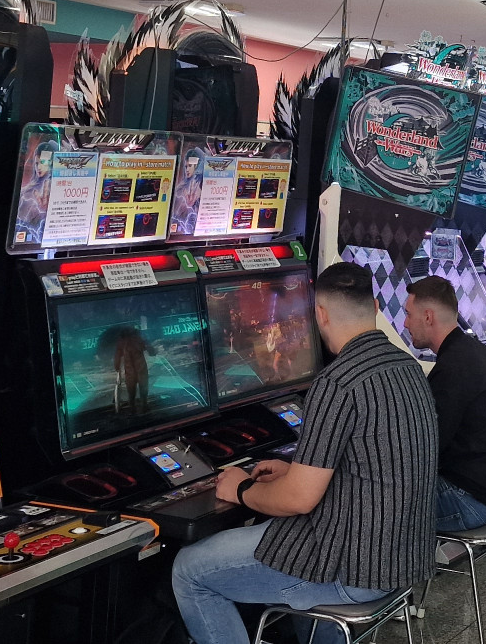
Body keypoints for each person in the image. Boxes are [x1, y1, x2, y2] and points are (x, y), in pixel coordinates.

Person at [171, 262, 437, 644]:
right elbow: (373, 465)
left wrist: (241, 489)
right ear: (376, 306)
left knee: (189, 571)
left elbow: (298, 499)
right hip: (401, 560)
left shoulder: (337, 382)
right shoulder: (406, 367)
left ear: (320, 314)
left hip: (350, 568)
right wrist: (294, 471)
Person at [401, 275, 486, 533]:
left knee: (372, 505)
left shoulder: (453, 367)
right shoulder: (474, 351)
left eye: (409, 314)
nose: (405, 323)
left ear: (428, 317)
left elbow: (427, 447)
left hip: (469, 500)